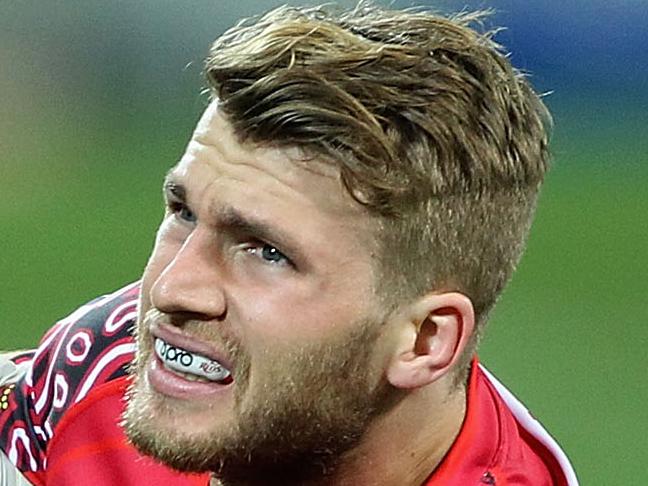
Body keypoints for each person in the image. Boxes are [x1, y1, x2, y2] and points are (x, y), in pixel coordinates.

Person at [0, 3, 579, 485]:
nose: (172, 289)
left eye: (266, 251)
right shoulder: (91, 378)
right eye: (182, 212)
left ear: (424, 341)